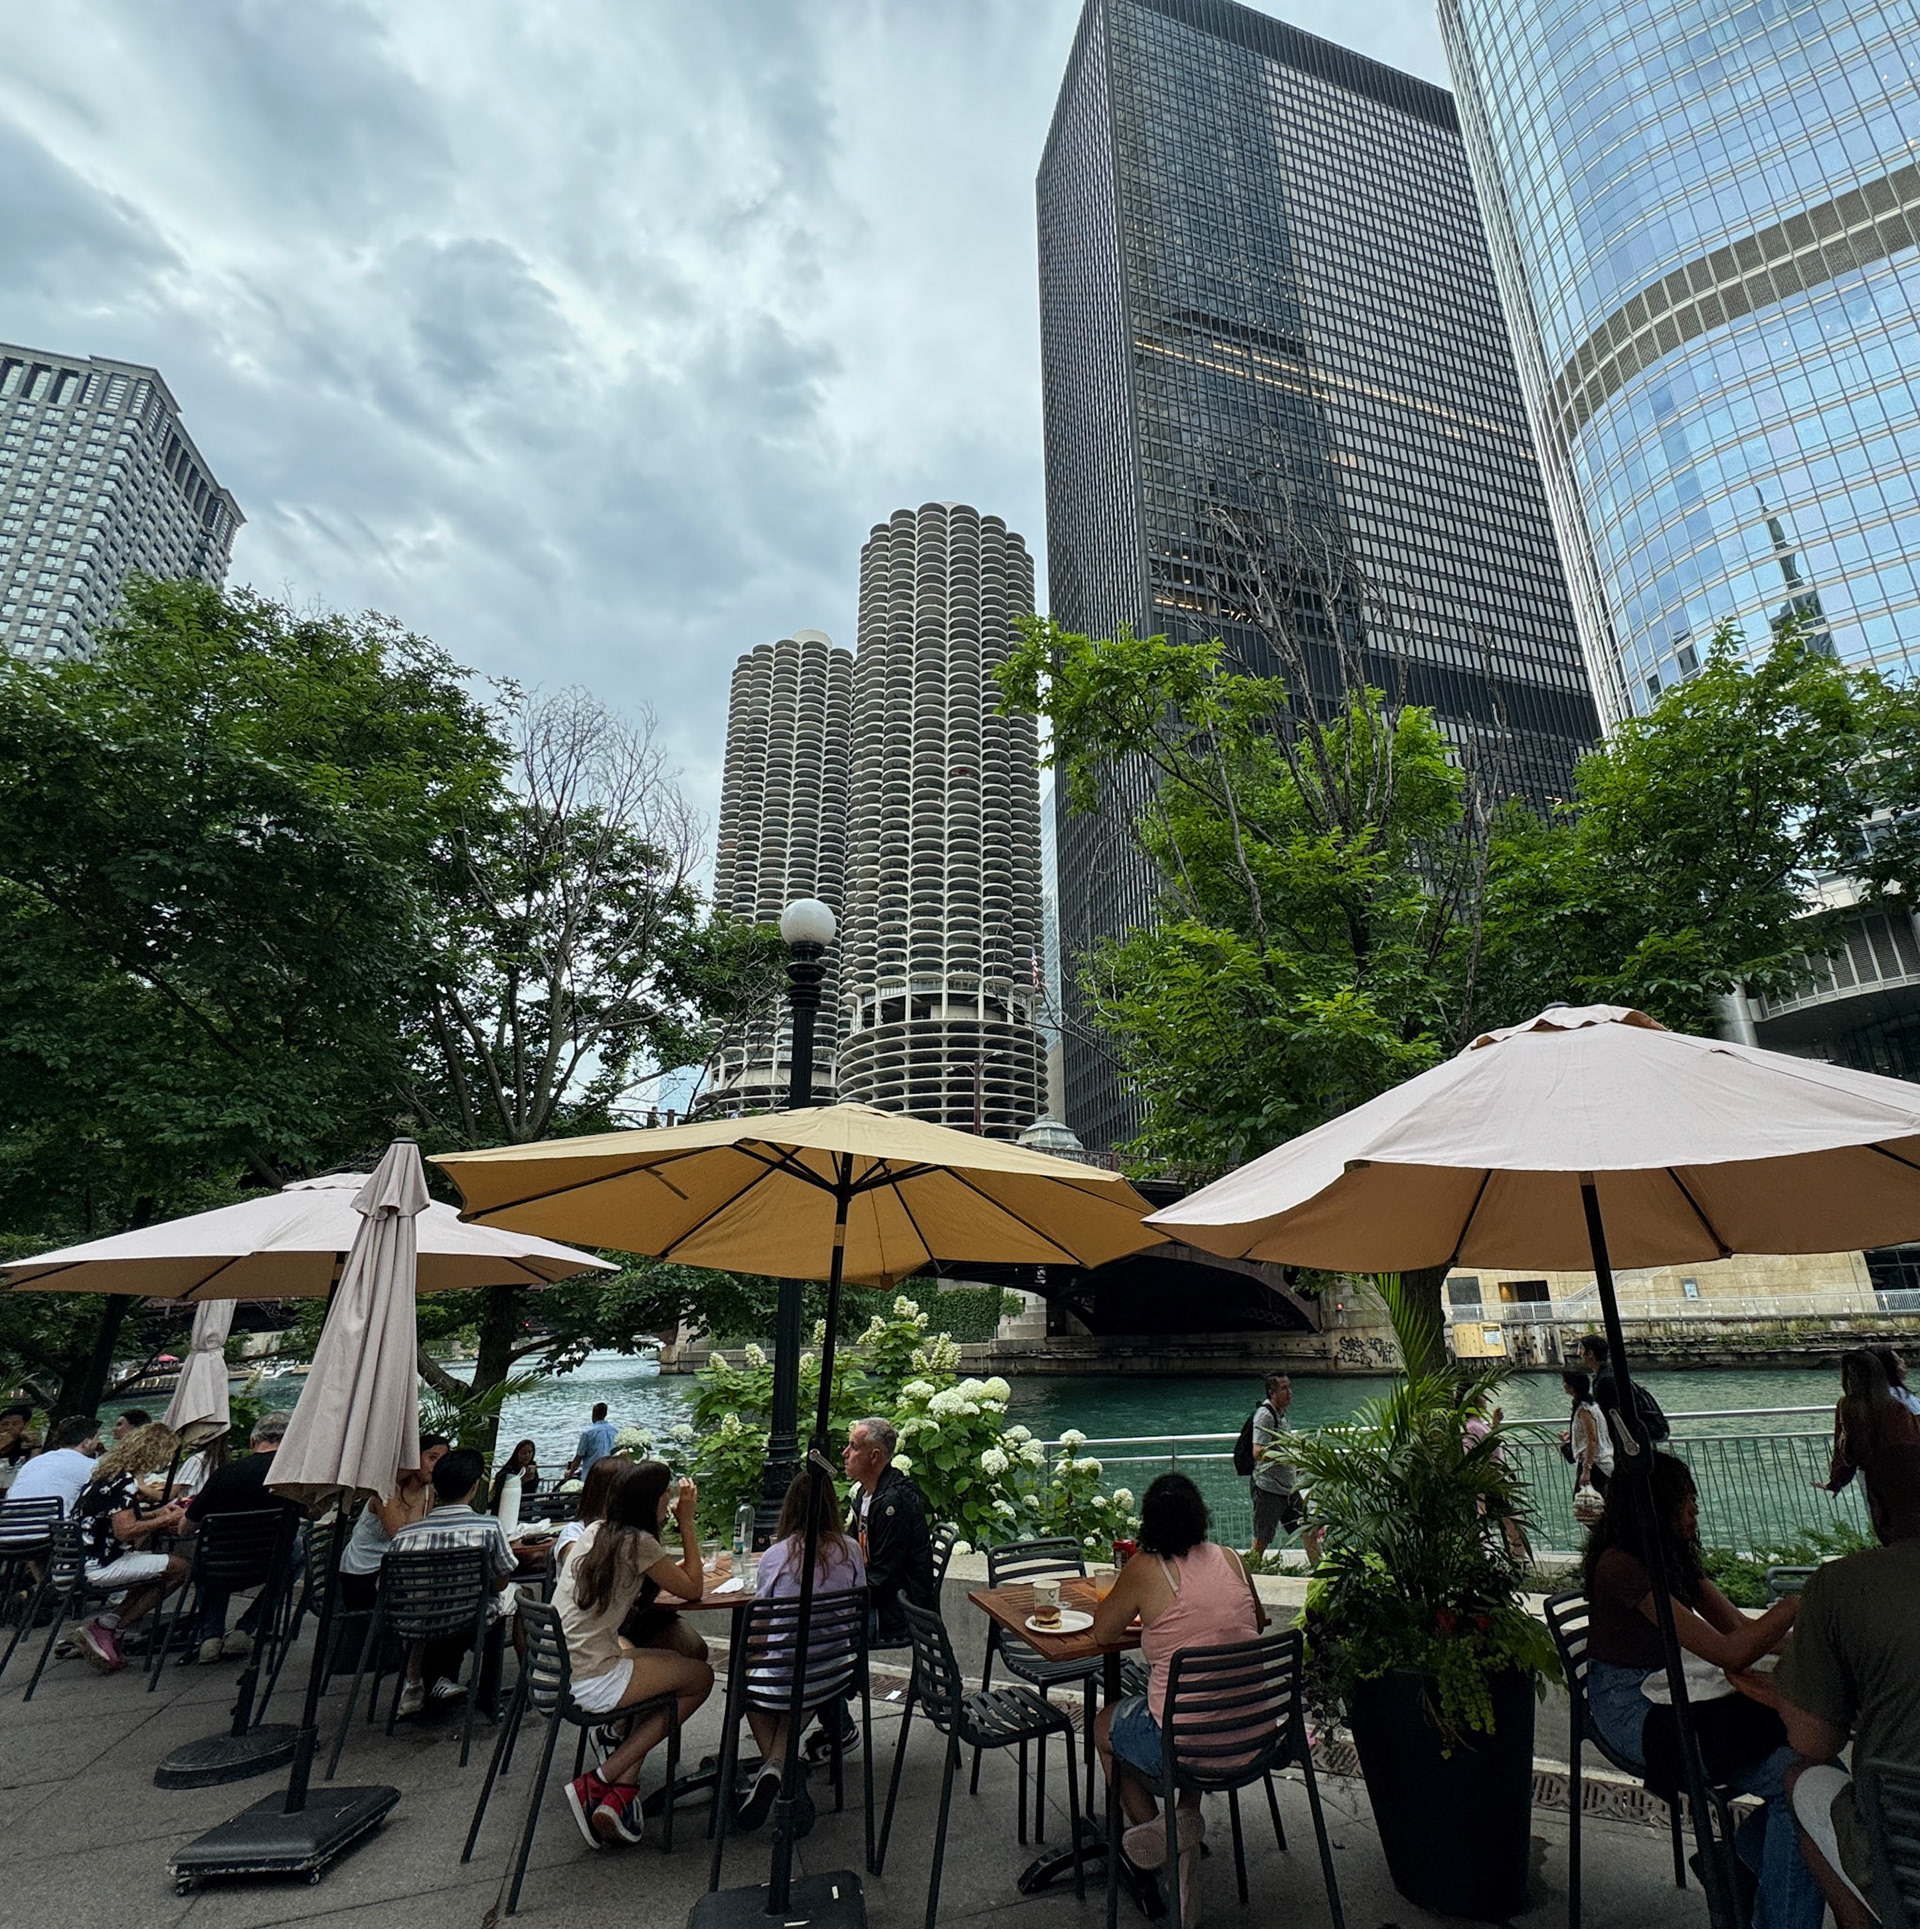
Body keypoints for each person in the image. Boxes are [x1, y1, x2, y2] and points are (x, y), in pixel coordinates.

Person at [1581, 1453, 1819, 1929]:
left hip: (1670, 1690)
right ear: (1655, 1510)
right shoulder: (1621, 1567)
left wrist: (1816, 1644)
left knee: (1814, 1769)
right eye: (1684, 1501)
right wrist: (1797, 1604)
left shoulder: (1670, 1557)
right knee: (1803, 1785)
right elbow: (1729, 1652)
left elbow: (1739, 1628)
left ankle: (1736, 1859)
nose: (1695, 1510)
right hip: (1632, 1709)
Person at [1092, 1471, 1267, 1922]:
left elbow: (1103, 1631)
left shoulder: (1146, 1568)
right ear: (1200, 1517)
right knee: (1199, 1705)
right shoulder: (1232, 1560)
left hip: (1184, 1743)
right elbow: (1259, 1619)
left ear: (1148, 1524)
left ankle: (1164, 1838)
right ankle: (1186, 1816)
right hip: (1251, 1735)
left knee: (1103, 1726)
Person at [1772, 1455, 1920, 1929]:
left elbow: (1814, 1742)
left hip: (1902, 1852)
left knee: (1801, 1778)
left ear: (1876, 1508)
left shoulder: (1840, 1584)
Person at [553, 1460, 714, 1847]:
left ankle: (620, 1797)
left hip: (563, 1669)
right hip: (590, 1677)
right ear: (653, 1501)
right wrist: (687, 1524)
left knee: (670, 1667)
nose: (670, 1502)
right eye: (667, 1496)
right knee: (700, 1678)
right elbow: (692, 1589)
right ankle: (603, 1777)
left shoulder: (596, 1532)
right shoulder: (639, 1543)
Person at [734, 1468, 867, 1831]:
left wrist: (752, 1656)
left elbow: (760, 1631)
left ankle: (778, 1771)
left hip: (790, 1674)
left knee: (744, 1684)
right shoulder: (851, 1550)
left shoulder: (776, 1557)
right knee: (803, 1678)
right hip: (836, 1669)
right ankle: (780, 1770)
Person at [815, 1415, 932, 1763]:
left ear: (875, 1457)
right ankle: (834, 1715)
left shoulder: (893, 1503)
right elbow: (852, 1553)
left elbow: (884, 1576)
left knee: (821, 1636)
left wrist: (839, 1596)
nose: (846, 1453)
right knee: (816, 1627)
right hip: (880, 1599)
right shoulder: (868, 1497)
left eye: (854, 1446)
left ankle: (838, 1723)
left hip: (898, 1611)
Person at [386, 1446, 519, 1714]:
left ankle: (422, 1683)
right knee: (513, 1598)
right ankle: (491, 1693)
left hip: (418, 1624)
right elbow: (502, 1580)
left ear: (435, 1487)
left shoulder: (405, 1537)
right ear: (473, 1488)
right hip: (471, 1619)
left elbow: (396, 1588)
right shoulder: (489, 1528)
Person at [71, 1421, 192, 1672]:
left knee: (156, 1571)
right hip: (101, 1564)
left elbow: (114, 1516)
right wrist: (166, 1519)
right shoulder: (124, 1482)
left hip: (80, 1560)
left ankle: (109, 1624)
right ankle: (112, 1629)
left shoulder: (106, 1475)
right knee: (180, 1569)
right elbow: (125, 1530)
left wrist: (156, 1513)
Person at [182, 1410, 301, 1662]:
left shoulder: (225, 1474)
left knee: (208, 1554)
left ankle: (210, 1636)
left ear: (252, 1441)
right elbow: (311, 1513)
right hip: (268, 1566)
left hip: (219, 1568)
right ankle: (246, 1628)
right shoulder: (290, 1477)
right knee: (298, 1552)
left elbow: (186, 1528)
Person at [338, 1433, 448, 1611]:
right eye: (432, 1458)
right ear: (414, 1458)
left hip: (395, 1572)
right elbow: (399, 1538)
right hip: (362, 1573)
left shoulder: (428, 1492)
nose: (436, 1466)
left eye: (442, 1460)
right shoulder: (387, 1490)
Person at [1822, 1348, 1920, 1541]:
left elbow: (1844, 1450)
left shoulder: (1848, 1408)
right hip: (1910, 1476)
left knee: (1892, 1534)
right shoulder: (1898, 1406)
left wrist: (1836, 1481)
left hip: (1879, 1481)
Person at [3, 1414, 102, 1521]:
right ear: (87, 1442)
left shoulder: (33, 1463)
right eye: (97, 1438)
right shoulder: (91, 1466)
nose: (98, 1442)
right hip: (53, 1532)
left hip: (7, 1530)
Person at [1578, 1334, 1670, 1445]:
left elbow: (1611, 1414)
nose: (1578, 1353)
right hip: (1637, 1434)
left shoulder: (1605, 1380)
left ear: (1590, 1353)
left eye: (1581, 1349)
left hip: (1626, 1440)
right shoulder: (1611, 1374)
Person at [1247, 1373, 1301, 1560]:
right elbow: (1258, 1452)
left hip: (1288, 1487)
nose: (1289, 1392)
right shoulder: (1265, 1415)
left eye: (1289, 1387)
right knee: (1262, 1539)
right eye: (1284, 1388)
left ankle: (1318, 1569)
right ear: (1272, 1393)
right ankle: (1252, 1573)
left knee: (1308, 1527)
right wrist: (1284, 1458)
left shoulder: (1281, 1415)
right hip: (1269, 1488)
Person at [1561, 1368, 1614, 1499]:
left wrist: (1586, 1470)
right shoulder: (1592, 1405)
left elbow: (1592, 1440)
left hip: (1595, 1464)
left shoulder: (1584, 1409)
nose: (1563, 1385)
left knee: (1588, 1505)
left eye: (1565, 1382)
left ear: (1572, 1387)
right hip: (1599, 1462)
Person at [567, 1404, 618, 1479]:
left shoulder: (587, 1433)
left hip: (591, 1475)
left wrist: (570, 1472)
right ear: (605, 1414)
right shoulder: (615, 1431)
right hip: (611, 1474)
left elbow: (579, 1457)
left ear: (593, 1414)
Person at [489, 1438, 539, 1515]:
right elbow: (500, 1485)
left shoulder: (532, 1468)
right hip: (506, 1506)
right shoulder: (509, 1468)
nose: (527, 1455)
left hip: (526, 1506)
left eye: (530, 1452)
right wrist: (521, 1480)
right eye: (523, 1453)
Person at [0, 1402, 38, 1493]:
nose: (9, 1428)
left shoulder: (26, 1445)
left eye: (15, 1424)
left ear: (25, 1426)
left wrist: (36, 1447)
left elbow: (34, 1472)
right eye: (5, 1424)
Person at [1873, 1346, 1920, 1419]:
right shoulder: (1898, 1394)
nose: (1903, 1362)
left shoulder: (1874, 1395)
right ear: (1891, 1368)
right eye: (1899, 1361)